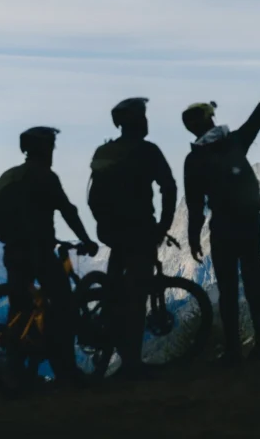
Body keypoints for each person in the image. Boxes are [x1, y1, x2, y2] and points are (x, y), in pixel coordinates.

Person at [0, 126, 98, 385]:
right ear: (44, 150)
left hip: (12, 250)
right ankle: (66, 372)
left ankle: (15, 373)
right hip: (39, 251)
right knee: (63, 305)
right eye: (51, 147)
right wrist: (85, 239)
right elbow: (68, 211)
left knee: (20, 307)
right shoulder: (45, 176)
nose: (53, 153)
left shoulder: (8, 177)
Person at [181, 90, 260, 366]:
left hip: (223, 225)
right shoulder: (234, 142)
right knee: (254, 283)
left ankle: (233, 351)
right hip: (249, 222)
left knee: (227, 290)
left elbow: (195, 204)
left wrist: (193, 238)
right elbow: (252, 127)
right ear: (209, 121)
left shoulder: (194, 159)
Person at [87, 97, 177, 377]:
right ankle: (131, 363)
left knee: (115, 286)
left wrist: (104, 223)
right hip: (140, 231)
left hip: (112, 232)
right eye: (143, 117)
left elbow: (92, 198)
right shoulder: (147, 151)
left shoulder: (105, 151)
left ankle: (107, 334)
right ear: (137, 122)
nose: (147, 121)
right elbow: (169, 187)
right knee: (138, 295)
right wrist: (164, 225)